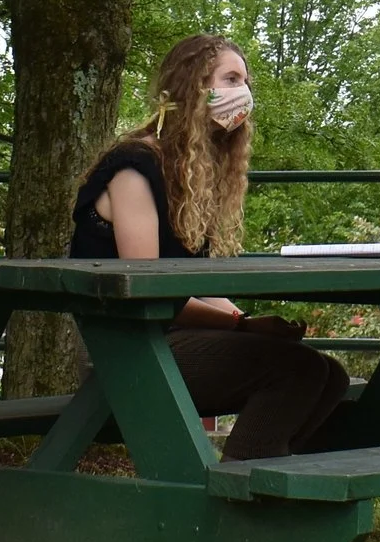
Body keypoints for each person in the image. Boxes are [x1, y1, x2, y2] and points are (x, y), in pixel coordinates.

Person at [68, 33, 348, 459]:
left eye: (246, 81)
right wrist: (240, 327)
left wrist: (244, 318)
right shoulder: (135, 167)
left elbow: (194, 279)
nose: (244, 92)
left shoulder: (193, 172)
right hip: (129, 348)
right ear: (194, 86)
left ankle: (285, 489)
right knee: (298, 369)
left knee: (332, 375)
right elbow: (149, 288)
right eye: (232, 78)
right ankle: (240, 495)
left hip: (172, 337)